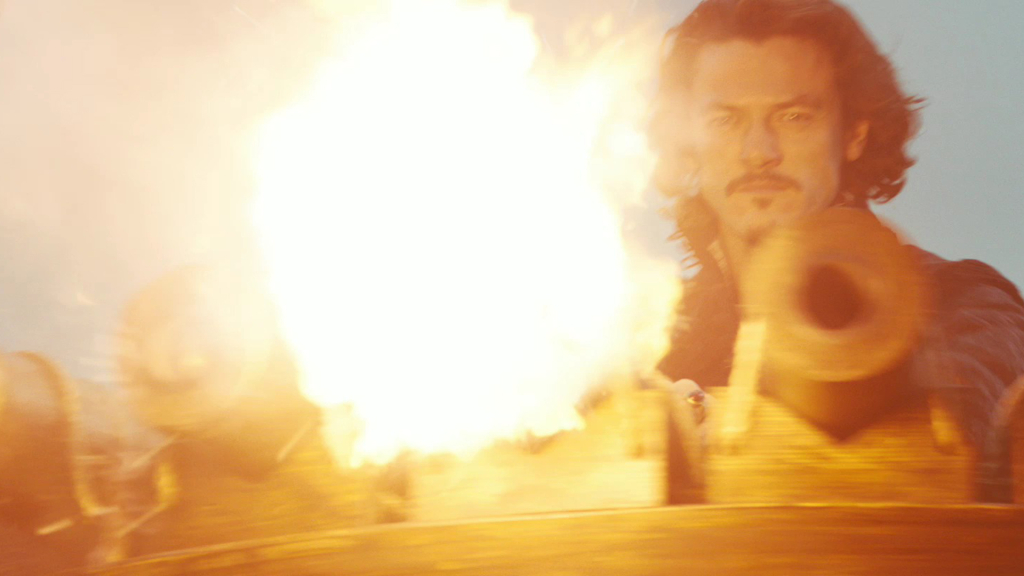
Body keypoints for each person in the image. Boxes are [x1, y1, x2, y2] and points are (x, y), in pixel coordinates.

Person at [649, 0, 1024, 501]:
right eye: (724, 121)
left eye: (793, 116)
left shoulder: (967, 304)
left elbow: (965, 442)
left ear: (854, 134)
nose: (758, 151)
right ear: (687, 144)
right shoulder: (650, 337)